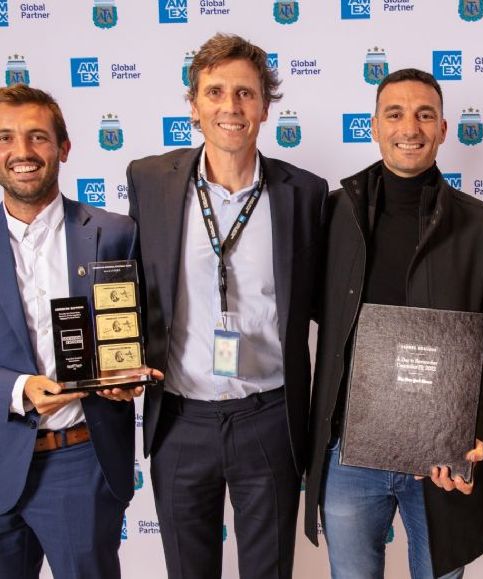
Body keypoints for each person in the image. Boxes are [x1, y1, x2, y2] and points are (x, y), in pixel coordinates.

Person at [126, 33, 327, 578]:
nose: (230, 107)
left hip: (269, 418)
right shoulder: (149, 180)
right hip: (180, 418)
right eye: (215, 92)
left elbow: (325, 305)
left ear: (265, 105)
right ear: (194, 105)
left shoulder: (304, 193)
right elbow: (129, 287)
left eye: (245, 93)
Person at [304, 68, 483, 579]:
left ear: (443, 129)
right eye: (394, 114)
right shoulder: (332, 216)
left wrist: (471, 433)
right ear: (374, 126)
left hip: (439, 455)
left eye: (425, 115)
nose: (409, 127)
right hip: (350, 452)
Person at [0, 84, 155, 579]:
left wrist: (128, 375)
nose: (22, 152)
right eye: (5, 138)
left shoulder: (115, 233)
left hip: (80, 460)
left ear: (63, 148)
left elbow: (139, 332)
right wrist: (18, 389)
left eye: (38, 137)